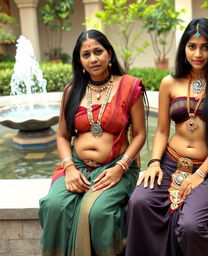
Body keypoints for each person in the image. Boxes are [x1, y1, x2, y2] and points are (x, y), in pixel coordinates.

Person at [125, 18, 208, 256]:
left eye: (205, 47)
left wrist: (201, 174)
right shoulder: (169, 83)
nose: (198, 54)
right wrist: (154, 162)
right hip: (170, 162)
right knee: (139, 203)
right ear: (183, 48)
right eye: (192, 46)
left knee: (191, 226)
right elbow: (162, 130)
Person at [38, 29, 147, 256]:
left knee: (97, 212)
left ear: (109, 54)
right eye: (85, 54)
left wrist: (121, 167)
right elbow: (62, 136)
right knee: (53, 205)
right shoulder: (72, 90)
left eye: (98, 52)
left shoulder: (128, 86)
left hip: (116, 166)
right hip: (76, 166)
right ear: (79, 60)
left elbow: (139, 134)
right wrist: (69, 168)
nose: (93, 59)